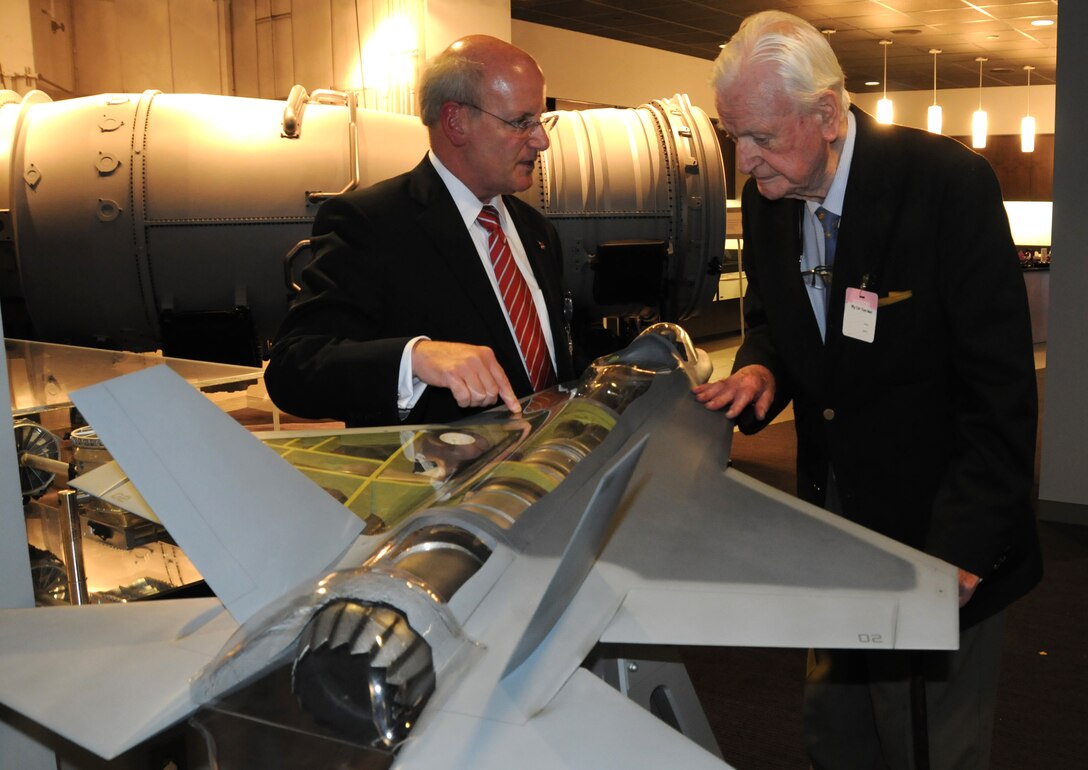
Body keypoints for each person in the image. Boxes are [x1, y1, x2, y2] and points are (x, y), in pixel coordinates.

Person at [696, 11, 1041, 770]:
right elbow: (780, 323)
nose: (745, 161)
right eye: (734, 140)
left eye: (758, 136)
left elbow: (1001, 392)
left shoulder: (944, 186)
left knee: (929, 743)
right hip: (835, 523)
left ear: (824, 114)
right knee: (838, 731)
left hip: (939, 528)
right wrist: (760, 369)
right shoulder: (769, 197)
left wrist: (961, 553)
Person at [264, 35, 575, 427]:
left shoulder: (536, 231)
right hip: (442, 484)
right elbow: (294, 368)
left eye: (541, 120)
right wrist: (415, 358)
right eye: (521, 122)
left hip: (554, 473)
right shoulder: (372, 223)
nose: (542, 140)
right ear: (456, 122)